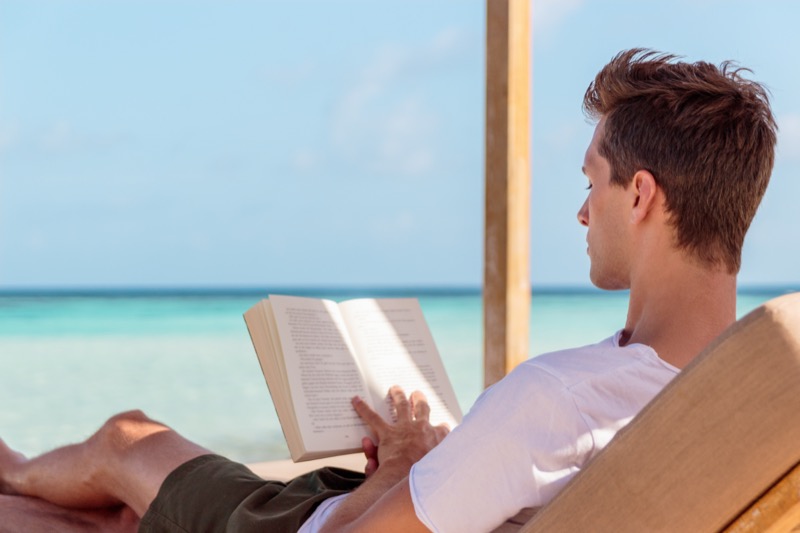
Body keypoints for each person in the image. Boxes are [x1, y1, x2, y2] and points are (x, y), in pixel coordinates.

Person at [0, 48, 777, 532]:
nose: (582, 210)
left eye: (593, 183)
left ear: (640, 197)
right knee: (118, 505)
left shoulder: (555, 399)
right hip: (402, 504)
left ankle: (9, 465)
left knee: (124, 440)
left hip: (305, 522)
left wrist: (403, 469)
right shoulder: (740, 407)